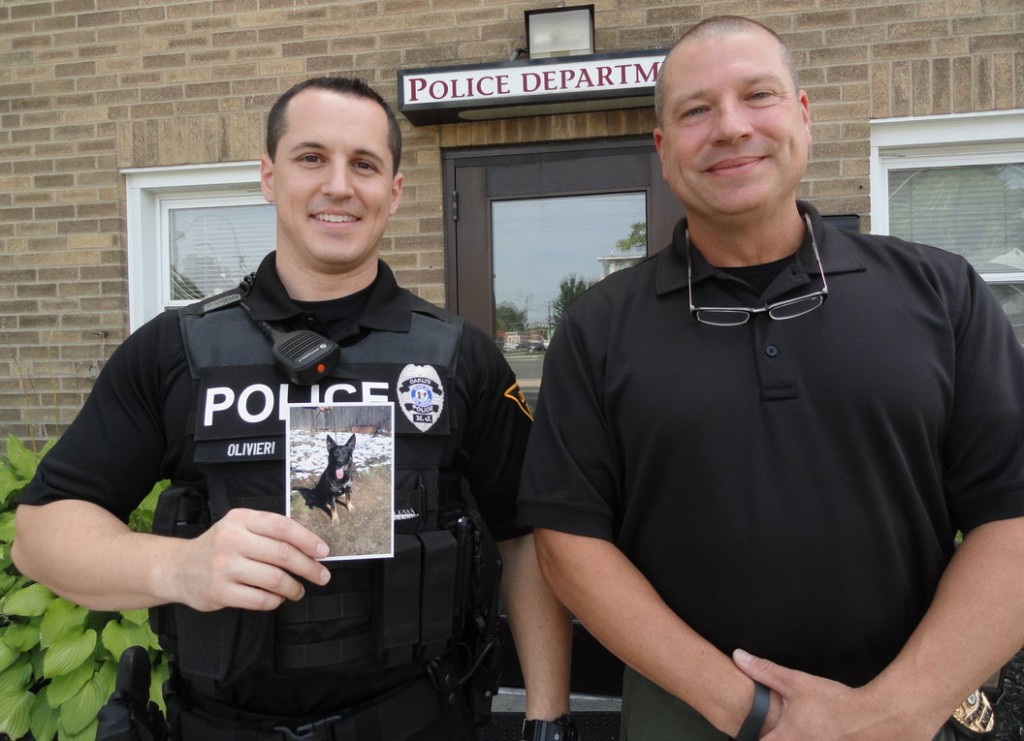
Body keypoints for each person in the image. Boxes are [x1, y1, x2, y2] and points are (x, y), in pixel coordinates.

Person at [13, 76, 575, 741]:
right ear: (269, 176)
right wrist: (177, 566)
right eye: (312, 158)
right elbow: (41, 533)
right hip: (218, 726)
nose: (339, 184)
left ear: (393, 191)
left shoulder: (461, 358)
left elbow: (526, 537)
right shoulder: (174, 351)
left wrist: (548, 717)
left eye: (364, 164)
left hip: (418, 722)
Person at [517, 15, 1024, 741]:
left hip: (920, 714)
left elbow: (1012, 519)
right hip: (687, 720)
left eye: (758, 95)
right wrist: (753, 712)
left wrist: (895, 711)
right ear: (663, 150)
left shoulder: (941, 294)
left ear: (804, 116)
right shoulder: (597, 329)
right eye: (696, 110)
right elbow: (567, 543)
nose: (729, 127)